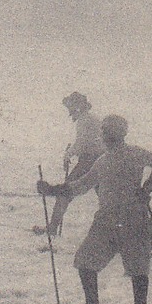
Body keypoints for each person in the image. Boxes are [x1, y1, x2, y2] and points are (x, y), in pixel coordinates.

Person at [37, 114, 152, 304]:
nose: (105, 135)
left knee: (137, 267)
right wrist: (51, 189)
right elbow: (80, 186)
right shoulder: (103, 160)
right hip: (107, 219)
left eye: (108, 131)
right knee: (85, 260)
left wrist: (146, 189)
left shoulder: (133, 153)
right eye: (105, 131)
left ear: (117, 134)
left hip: (132, 218)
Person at [46, 90, 103, 237]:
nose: (70, 112)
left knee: (65, 192)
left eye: (70, 108)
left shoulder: (84, 120)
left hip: (90, 161)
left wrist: (68, 154)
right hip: (102, 160)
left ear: (77, 107)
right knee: (106, 197)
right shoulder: (91, 118)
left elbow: (81, 143)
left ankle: (52, 228)